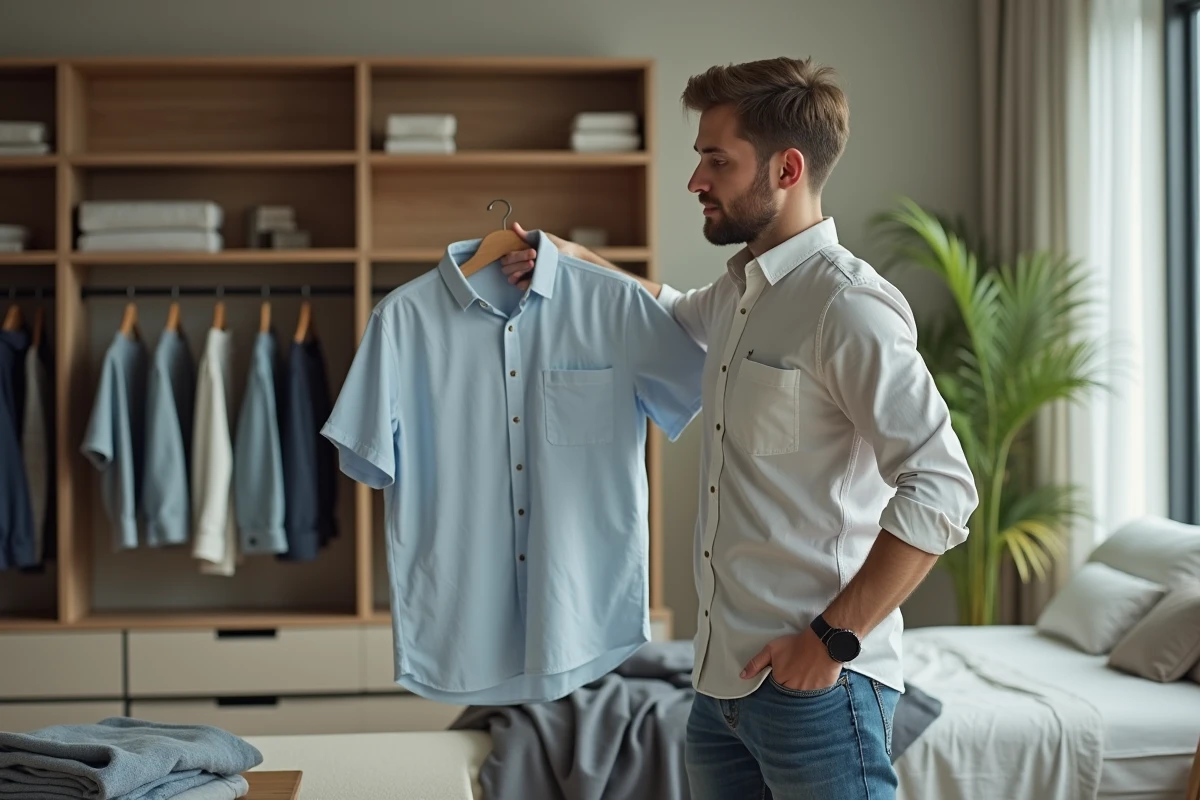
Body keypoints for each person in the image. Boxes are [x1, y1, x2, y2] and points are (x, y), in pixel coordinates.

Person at [501, 56, 977, 800]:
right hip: (721, 692)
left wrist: (831, 641)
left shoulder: (847, 307)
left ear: (787, 169)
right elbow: (660, 312)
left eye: (716, 161)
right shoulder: (738, 293)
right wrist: (565, 263)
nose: (696, 180)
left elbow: (944, 488)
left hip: (818, 691)